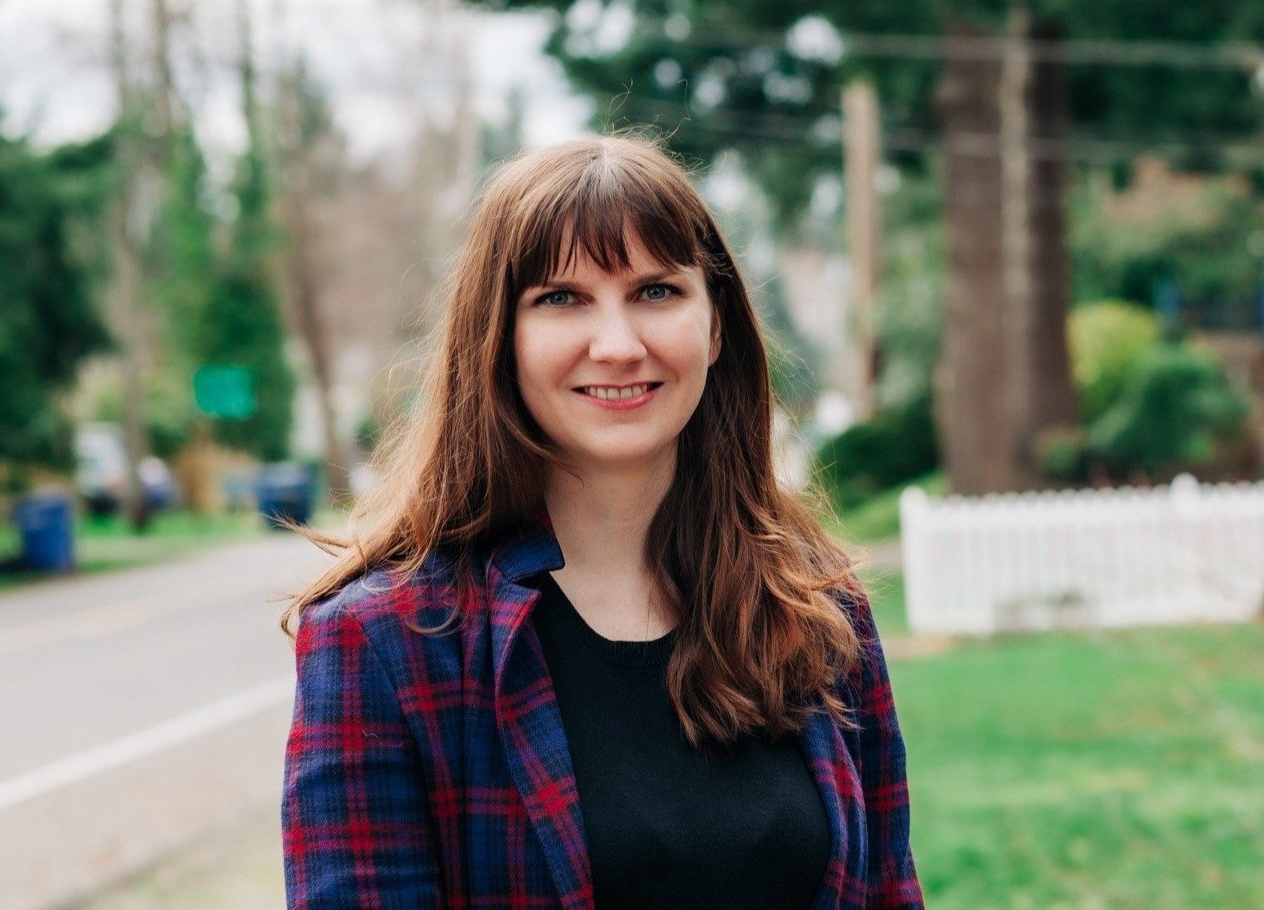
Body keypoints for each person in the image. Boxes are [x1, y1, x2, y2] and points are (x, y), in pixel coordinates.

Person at [281, 135, 923, 909]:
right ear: (499, 339)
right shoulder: (384, 642)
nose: (618, 346)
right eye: (561, 298)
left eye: (656, 291)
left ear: (715, 326)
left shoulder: (817, 610)